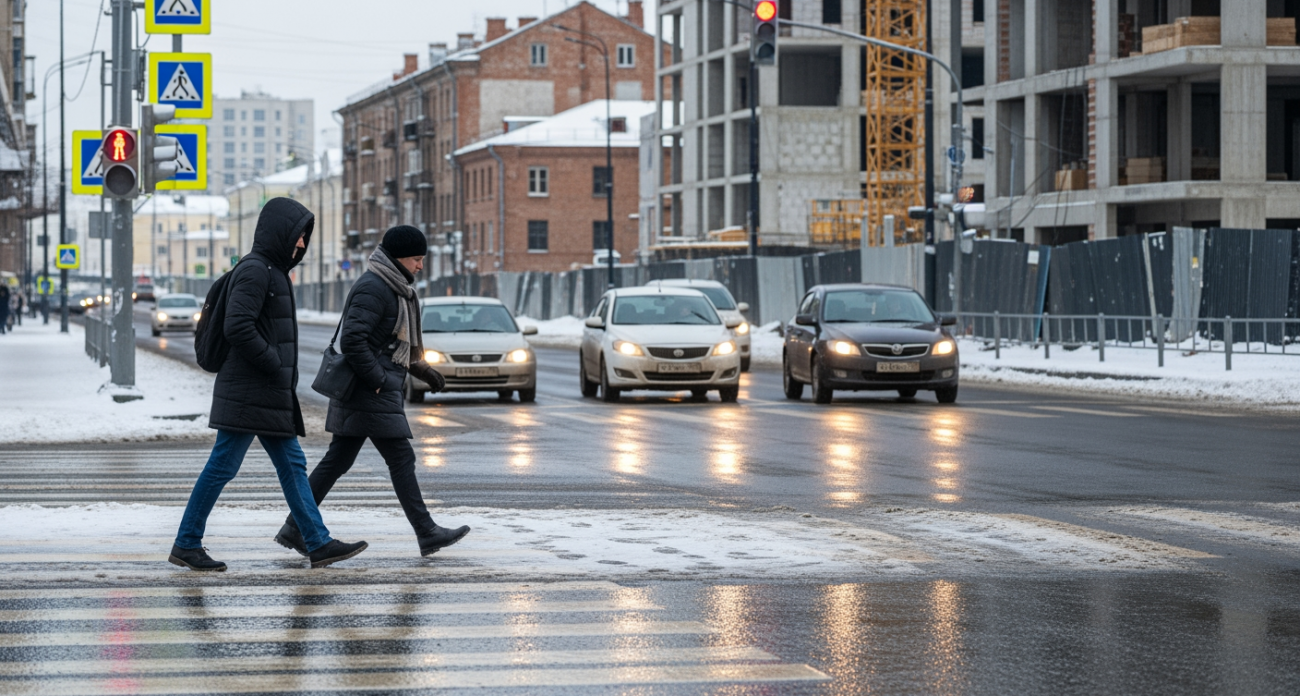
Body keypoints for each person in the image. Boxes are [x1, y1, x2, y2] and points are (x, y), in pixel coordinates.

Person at [170, 197, 368, 571]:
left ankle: (317, 541)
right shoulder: (255, 270)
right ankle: (186, 542)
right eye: (297, 236)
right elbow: (238, 326)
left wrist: (277, 372)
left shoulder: (271, 270)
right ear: (280, 233)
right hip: (250, 390)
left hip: (266, 392)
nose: (301, 244)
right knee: (223, 467)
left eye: (305, 238)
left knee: (292, 464)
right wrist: (273, 363)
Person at [275, 225, 470, 558]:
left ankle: (295, 527)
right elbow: (353, 340)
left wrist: (422, 370)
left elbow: (388, 342)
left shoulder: (391, 286)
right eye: (416, 259)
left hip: (367, 389)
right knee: (399, 458)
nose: (420, 266)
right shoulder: (375, 287)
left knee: (338, 459)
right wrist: (379, 379)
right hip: (369, 390)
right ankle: (426, 532)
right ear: (398, 258)